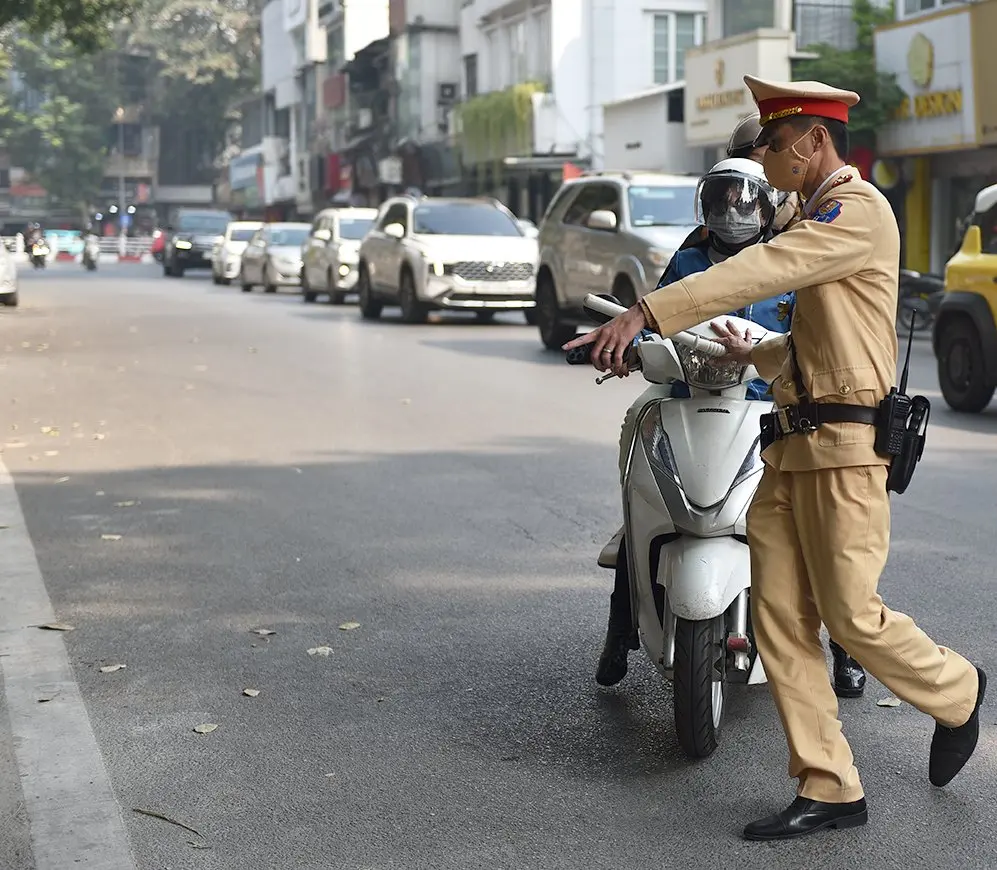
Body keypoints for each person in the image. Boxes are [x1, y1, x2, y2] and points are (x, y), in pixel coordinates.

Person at [566, 76, 986, 841]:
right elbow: (810, 341)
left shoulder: (855, 214)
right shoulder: (809, 215)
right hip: (787, 446)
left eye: (771, 143)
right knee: (779, 620)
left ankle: (957, 690)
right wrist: (750, 347)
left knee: (849, 616)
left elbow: (759, 275)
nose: (764, 158)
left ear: (812, 141)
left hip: (845, 451)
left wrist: (646, 310)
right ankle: (828, 786)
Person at [597, 124, 868, 702]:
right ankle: (624, 616)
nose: (741, 198)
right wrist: (637, 339)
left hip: (774, 398)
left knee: (820, 527)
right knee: (637, 430)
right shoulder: (696, 250)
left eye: (761, 169)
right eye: (734, 180)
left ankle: (844, 646)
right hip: (693, 395)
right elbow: (671, 311)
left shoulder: (802, 235)